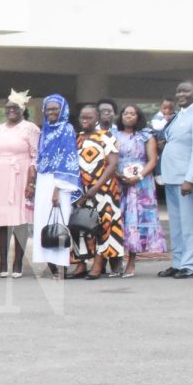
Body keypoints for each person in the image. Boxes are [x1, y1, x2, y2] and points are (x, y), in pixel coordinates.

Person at [157, 80, 193, 279]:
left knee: (189, 223)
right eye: (178, 91)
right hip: (171, 177)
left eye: (186, 91)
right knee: (176, 224)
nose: (180, 94)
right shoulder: (180, 114)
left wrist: (190, 178)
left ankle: (189, 265)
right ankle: (177, 262)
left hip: (186, 180)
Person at [0, 91, 39, 277]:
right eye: (8, 107)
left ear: (23, 109)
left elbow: (36, 156)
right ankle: (3, 263)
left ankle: (18, 263)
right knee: (3, 221)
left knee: (20, 221)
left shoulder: (30, 128)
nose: (11, 110)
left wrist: (31, 182)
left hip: (21, 175)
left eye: (15, 107)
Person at [71, 104, 124, 279]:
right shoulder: (76, 138)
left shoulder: (105, 136)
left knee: (104, 225)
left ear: (97, 119)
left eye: (89, 117)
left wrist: (95, 187)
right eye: (82, 117)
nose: (85, 120)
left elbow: (113, 164)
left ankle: (98, 263)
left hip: (104, 189)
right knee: (80, 225)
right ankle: (81, 263)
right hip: (81, 190)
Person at [30, 94, 80, 280]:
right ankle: (50, 265)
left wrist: (57, 189)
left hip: (59, 182)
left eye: (55, 109)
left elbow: (68, 159)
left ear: (62, 110)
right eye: (48, 109)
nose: (51, 112)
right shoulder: (45, 130)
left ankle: (61, 267)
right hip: (43, 180)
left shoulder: (67, 129)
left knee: (59, 222)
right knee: (44, 222)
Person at [115, 104, 166, 277]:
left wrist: (139, 176)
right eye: (125, 113)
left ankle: (131, 261)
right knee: (117, 219)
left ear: (138, 117)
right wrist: (117, 174)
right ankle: (116, 261)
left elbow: (152, 160)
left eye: (132, 114)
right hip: (119, 181)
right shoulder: (114, 135)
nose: (128, 116)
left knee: (134, 220)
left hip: (141, 185)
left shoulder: (146, 136)